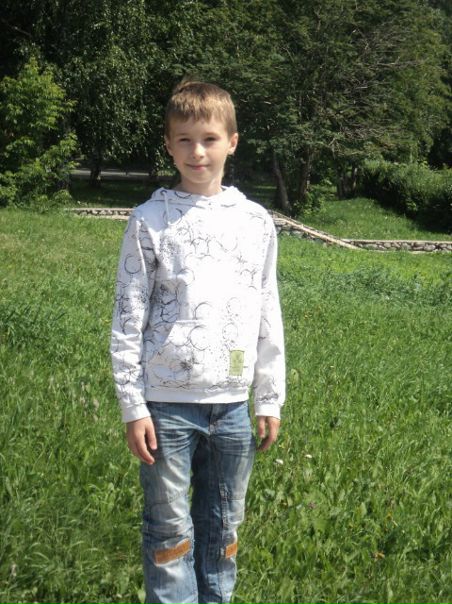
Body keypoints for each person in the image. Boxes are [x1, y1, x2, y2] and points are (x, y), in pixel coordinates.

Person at [110, 80, 285, 604]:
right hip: (165, 409)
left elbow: (266, 311)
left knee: (223, 527)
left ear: (232, 141)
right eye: (184, 140)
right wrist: (133, 406)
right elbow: (128, 317)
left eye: (209, 138)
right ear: (168, 145)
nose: (197, 152)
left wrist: (268, 397)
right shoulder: (149, 220)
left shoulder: (256, 222)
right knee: (169, 531)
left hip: (231, 408)